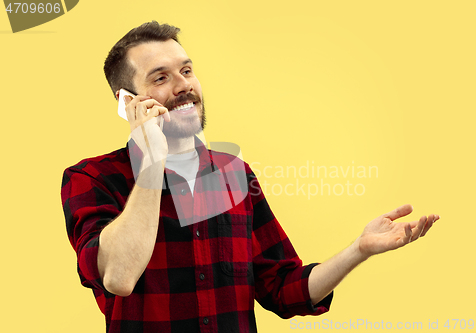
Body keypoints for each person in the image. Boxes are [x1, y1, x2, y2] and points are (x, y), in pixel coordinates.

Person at [61, 21, 439, 333]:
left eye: (187, 70)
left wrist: (359, 249)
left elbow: (281, 287)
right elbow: (118, 277)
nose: (184, 86)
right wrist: (152, 162)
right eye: (161, 78)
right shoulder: (92, 178)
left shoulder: (231, 173)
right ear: (129, 103)